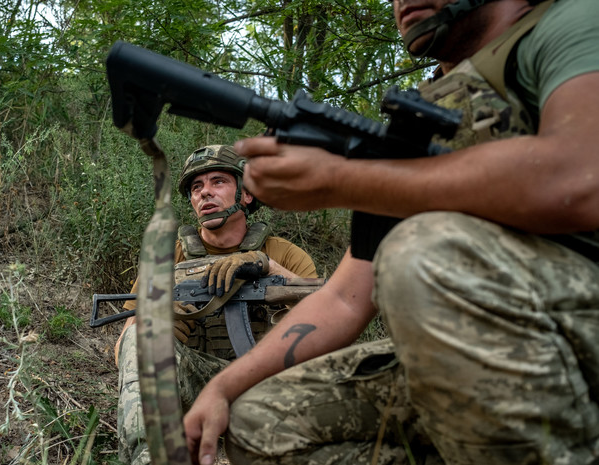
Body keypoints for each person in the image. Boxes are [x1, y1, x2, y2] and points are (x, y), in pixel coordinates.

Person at [183, 1, 599, 464]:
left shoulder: (569, 24)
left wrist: (344, 180)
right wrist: (222, 386)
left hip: (578, 331)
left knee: (421, 251)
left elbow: (583, 180)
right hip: (475, 351)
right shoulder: (429, 106)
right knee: (257, 419)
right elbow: (345, 298)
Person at [114, 145, 317, 465]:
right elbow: (125, 346)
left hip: (268, 389)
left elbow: (326, 315)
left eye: (218, 181)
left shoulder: (284, 253)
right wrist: (165, 328)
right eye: (196, 187)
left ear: (246, 194)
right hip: (197, 388)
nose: (205, 192)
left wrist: (268, 267)